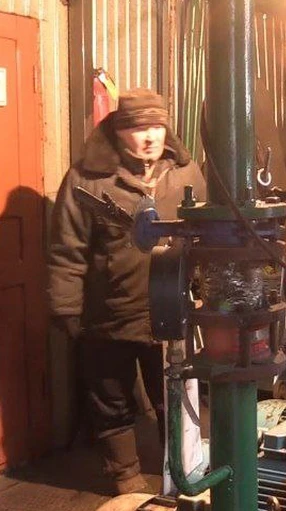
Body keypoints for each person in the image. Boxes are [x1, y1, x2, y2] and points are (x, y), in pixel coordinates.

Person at [48, 88, 206, 494]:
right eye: (138, 128)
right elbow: (67, 249)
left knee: (172, 394)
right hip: (109, 314)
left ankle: (181, 469)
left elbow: (205, 238)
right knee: (111, 397)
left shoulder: (187, 173)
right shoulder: (86, 180)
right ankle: (125, 476)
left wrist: (205, 292)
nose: (150, 137)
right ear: (119, 131)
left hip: (170, 309)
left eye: (156, 126)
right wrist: (66, 309)